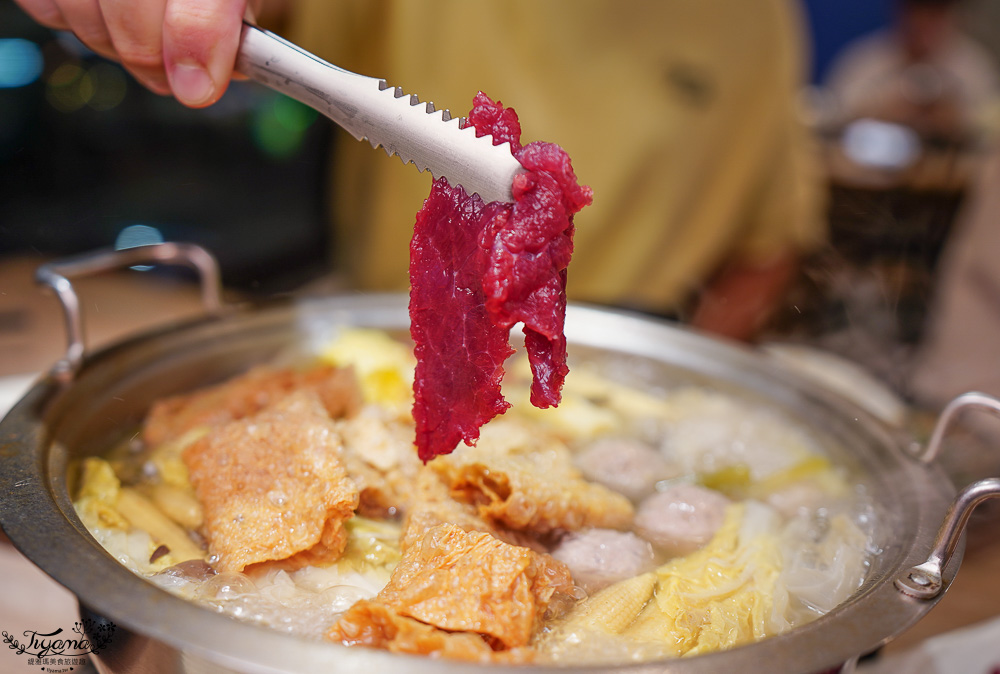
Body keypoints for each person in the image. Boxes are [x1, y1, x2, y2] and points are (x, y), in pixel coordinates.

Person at [14, 0, 825, 341]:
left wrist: (672, 393)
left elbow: (769, 241)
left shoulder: (757, 18)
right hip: (378, 330)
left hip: (623, 350)